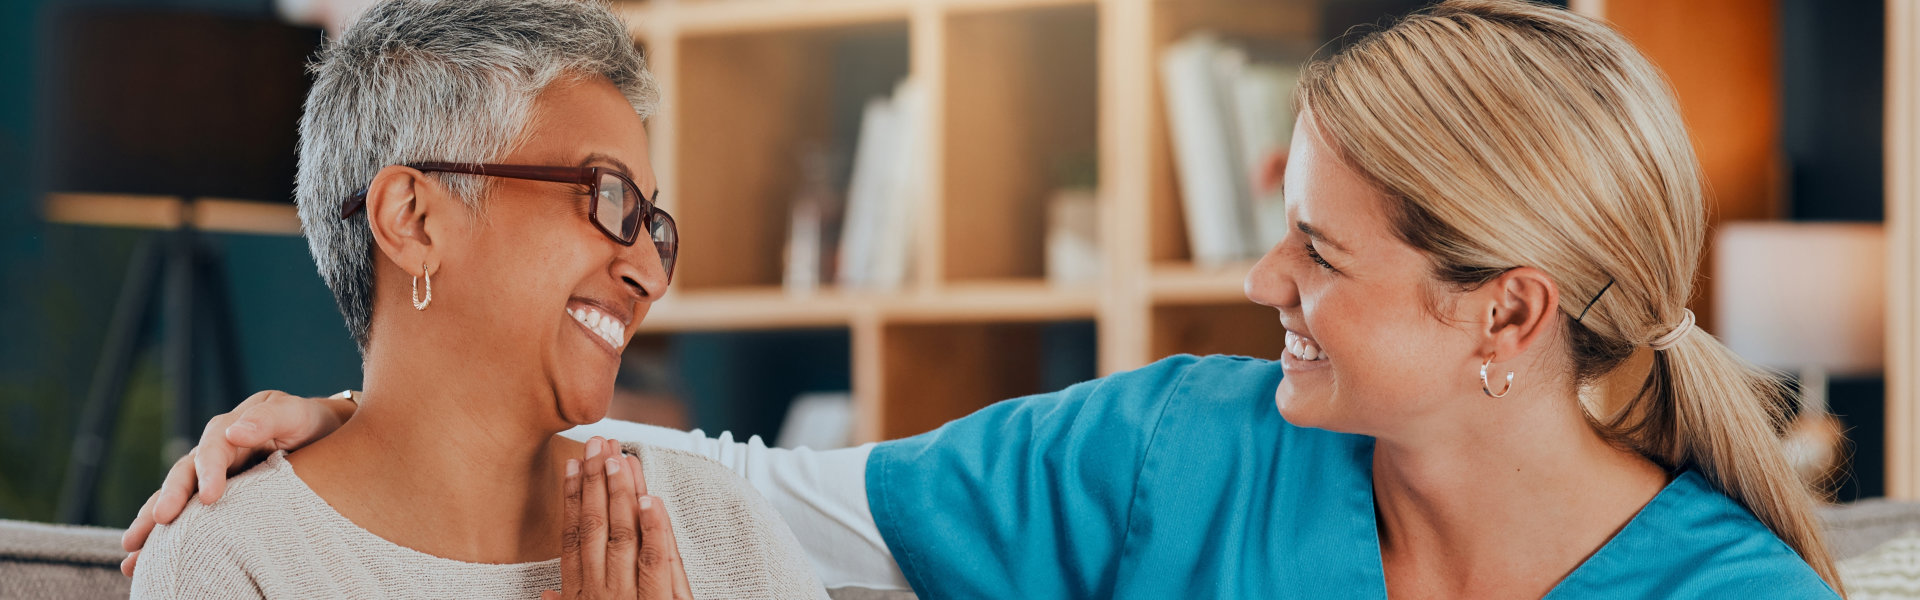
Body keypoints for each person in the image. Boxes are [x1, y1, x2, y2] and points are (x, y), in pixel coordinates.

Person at [123, 1, 1844, 597]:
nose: (1262, 285)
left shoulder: (1730, 598)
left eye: (1321, 253)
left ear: (1510, 317)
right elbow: (757, 490)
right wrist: (381, 424)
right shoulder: (1183, 447)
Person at [125, 0, 826, 598]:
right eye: (608, 197)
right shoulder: (233, 561)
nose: (651, 272)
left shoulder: (723, 526)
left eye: (653, 224)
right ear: (414, 220)